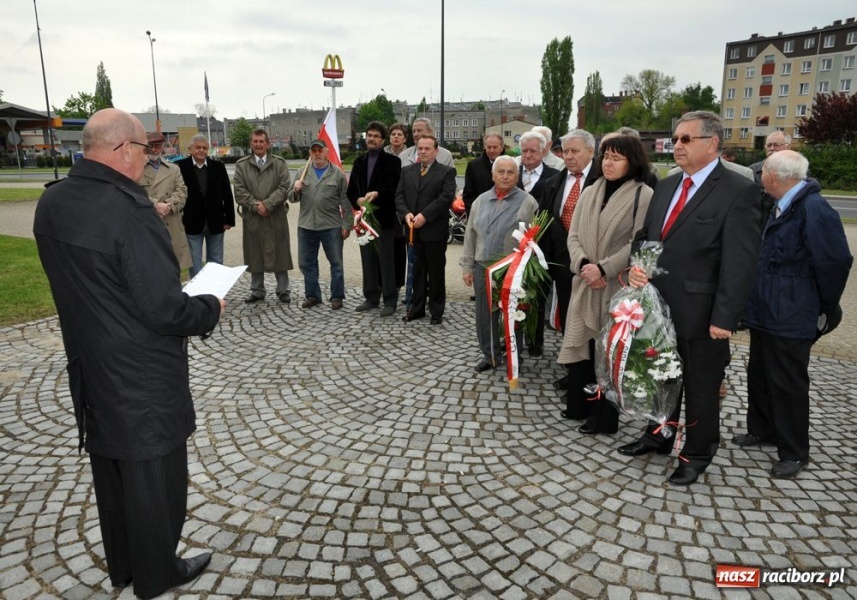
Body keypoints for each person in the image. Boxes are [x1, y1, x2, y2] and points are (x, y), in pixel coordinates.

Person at [33, 108, 223, 599]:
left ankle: (123, 566)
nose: (149, 158)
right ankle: (157, 574)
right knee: (156, 482)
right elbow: (163, 308)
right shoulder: (130, 211)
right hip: (142, 378)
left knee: (111, 475)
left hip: (90, 367)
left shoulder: (52, 202)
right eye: (145, 149)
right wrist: (208, 308)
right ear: (122, 150)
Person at [617, 111, 761, 487]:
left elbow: (740, 262)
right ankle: (659, 434)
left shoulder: (738, 190)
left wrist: (725, 318)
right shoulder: (666, 186)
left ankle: (696, 453)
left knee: (700, 388)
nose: (675, 145)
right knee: (661, 378)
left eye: (685, 139)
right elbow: (646, 237)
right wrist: (637, 266)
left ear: (711, 144)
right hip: (658, 309)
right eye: (675, 139)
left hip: (703, 313)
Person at [736, 150, 852, 478]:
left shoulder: (814, 209)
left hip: (792, 314)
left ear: (774, 177)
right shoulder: (780, 205)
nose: (759, 179)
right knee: (759, 374)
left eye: (763, 174)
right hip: (765, 310)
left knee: (788, 383)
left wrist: (823, 307)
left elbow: (835, 262)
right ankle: (763, 430)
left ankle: (794, 451)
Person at [557, 135, 653, 434]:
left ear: (632, 161)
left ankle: (604, 417)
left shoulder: (643, 194)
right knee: (583, 345)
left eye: (616, 158)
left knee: (608, 352)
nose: (608, 163)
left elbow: (637, 241)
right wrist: (584, 264)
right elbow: (573, 234)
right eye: (606, 157)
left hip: (615, 286)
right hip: (584, 282)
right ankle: (579, 405)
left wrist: (603, 268)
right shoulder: (591, 190)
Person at [460, 155, 538, 372]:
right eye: (500, 172)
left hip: (512, 268)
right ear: (492, 175)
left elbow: (533, 239)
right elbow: (470, 236)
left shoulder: (527, 202)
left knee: (514, 313)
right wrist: (467, 266)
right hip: (483, 267)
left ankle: (515, 355)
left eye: (510, 172)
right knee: (485, 315)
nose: (505, 176)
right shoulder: (480, 201)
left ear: (517, 175)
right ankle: (490, 355)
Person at [539, 130, 598, 388]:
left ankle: (594, 376)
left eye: (575, 151)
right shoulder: (556, 181)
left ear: (591, 152)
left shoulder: (602, 180)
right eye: (565, 152)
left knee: (590, 323)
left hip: (593, 266)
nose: (569, 156)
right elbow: (546, 219)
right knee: (569, 320)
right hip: (563, 265)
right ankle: (573, 372)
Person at [395, 134, 457, 324]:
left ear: (436, 151)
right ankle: (417, 308)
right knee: (417, 270)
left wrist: (425, 216)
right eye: (420, 148)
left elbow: (446, 197)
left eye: (427, 148)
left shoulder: (446, 172)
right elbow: (399, 196)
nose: (423, 152)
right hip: (413, 231)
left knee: (435, 272)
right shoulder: (407, 171)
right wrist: (406, 214)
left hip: (434, 231)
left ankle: (436, 311)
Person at [348, 122, 403, 316]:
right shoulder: (359, 162)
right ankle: (371, 297)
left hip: (384, 220)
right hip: (364, 221)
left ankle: (389, 300)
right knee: (368, 260)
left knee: (386, 261)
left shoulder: (393, 162)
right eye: (369, 135)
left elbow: (396, 189)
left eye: (375, 136)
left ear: (383, 139)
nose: (371, 139)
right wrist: (357, 199)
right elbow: (351, 190)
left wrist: (378, 194)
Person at [288, 139, 351, 310]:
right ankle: (313, 295)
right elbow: (291, 198)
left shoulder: (337, 174)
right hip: (306, 225)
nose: (317, 153)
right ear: (310, 153)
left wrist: (347, 225)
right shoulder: (302, 172)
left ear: (326, 152)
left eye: (320, 150)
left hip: (331, 225)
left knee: (336, 263)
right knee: (306, 262)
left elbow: (346, 201)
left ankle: (337, 296)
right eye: (313, 150)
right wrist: (295, 189)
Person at [234, 128, 293, 304]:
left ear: (267, 144)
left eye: (261, 141)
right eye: (255, 141)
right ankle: (257, 290)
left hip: (275, 215)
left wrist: (267, 204)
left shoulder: (279, 163)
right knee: (254, 252)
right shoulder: (241, 165)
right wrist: (255, 205)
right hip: (253, 217)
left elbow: (284, 187)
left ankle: (283, 290)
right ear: (251, 144)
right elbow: (239, 190)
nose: (258, 144)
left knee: (280, 252)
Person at [517, 131, 560, 357]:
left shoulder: (555, 176)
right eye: (524, 151)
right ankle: (512, 338)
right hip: (514, 247)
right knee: (513, 292)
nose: (529, 155)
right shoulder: (511, 173)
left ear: (543, 151)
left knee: (537, 295)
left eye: (533, 150)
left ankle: (535, 341)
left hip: (542, 247)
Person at [177, 134, 235, 278]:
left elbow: (227, 193)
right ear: (190, 149)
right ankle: (197, 296)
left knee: (215, 261)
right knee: (195, 261)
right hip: (191, 223)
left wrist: (229, 219)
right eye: (198, 147)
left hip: (216, 222)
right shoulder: (180, 168)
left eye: (204, 147)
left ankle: (214, 294)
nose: (201, 150)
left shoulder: (218, 167)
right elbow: (177, 194)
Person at [139, 131, 192, 271]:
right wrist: (155, 205)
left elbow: (182, 192)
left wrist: (167, 206)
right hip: (148, 223)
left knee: (173, 268)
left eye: (158, 146)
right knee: (152, 269)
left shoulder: (174, 169)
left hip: (171, 223)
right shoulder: (137, 169)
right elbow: (134, 192)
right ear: (145, 147)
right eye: (151, 146)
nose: (155, 150)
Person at [750, 131, 794, 218]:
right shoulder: (752, 171)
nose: (772, 148)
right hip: (759, 225)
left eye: (776, 145)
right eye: (769, 145)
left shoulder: (797, 171)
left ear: (788, 147)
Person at [463, 132, 505, 215]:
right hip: (480, 214)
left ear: (502, 147)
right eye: (489, 147)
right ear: (484, 147)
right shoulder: (473, 166)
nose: (491, 150)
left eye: (495, 147)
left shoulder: (511, 165)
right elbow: (468, 195)